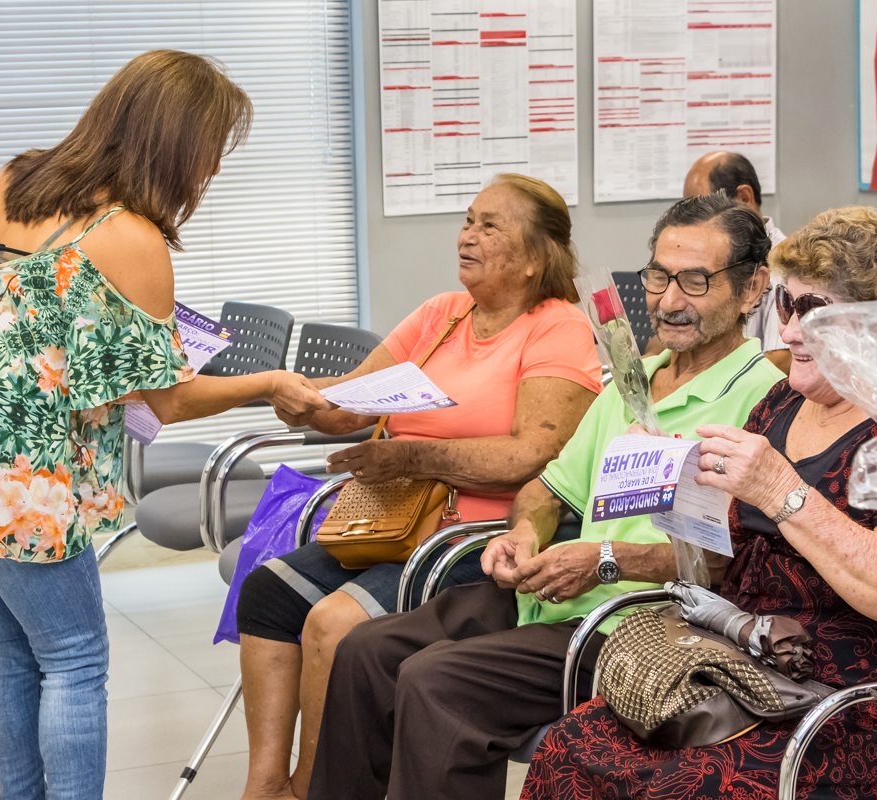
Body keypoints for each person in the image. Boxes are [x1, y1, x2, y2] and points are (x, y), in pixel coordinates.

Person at [0, 51, 331, 800]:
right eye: (211, 149)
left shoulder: (10, 180)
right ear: (174, 143)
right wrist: (271, 382)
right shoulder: (130, 236)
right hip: (14, 474)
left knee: (13, 650)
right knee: (74, 658)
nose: (213, 169)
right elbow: (168, 401)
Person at [306, 192, 785, 800]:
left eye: (695, 281)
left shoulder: (763, 402)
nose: (668, 301)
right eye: (659, 276)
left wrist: (605, 560)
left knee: (435, 682)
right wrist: (525, 533)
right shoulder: (632, 382)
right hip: (558, 597)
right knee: (366, 650)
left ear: (751, 289)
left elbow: (726, 563)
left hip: (638, 628)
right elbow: (548, 487)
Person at [523, 206, 877, 800]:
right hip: (744, 669)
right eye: (787, 305)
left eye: (814, 310)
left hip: (859, 707)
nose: (788, 332)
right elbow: (717, 565)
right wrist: (671, 486)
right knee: (573, 746)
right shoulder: (780, 407)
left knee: (678, 787)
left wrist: (779, 491)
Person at [235, 174, 604, 800]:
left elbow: (534, 454)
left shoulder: (556, 327)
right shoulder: (442, 314)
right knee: (266, 591)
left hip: (472, 536)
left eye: (491, 226)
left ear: (536, 257)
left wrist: (412, 454)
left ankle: (311, 790)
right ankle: (265, 787)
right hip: (394, 522)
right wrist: (290, 394)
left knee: (332, 623)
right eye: (468, 220)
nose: (468, 236)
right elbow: (349, 402)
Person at [646, 150, 791, 374]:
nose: (669, 302)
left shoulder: (785, 268)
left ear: (744, 198)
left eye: (695, 281)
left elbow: (783, 360)